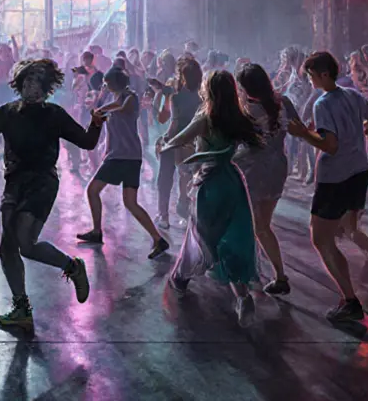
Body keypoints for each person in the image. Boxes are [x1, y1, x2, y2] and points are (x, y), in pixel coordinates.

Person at [0, 59, 103, 334]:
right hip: (14, 183)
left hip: (42, 182)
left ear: (46, 88)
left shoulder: (54, 114)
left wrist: (96, 122)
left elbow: (88, 142)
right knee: (12, 248)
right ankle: (23, 307)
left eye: (37, 81)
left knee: (24, 240)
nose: (31, 86)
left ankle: (71, 268)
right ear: (19, 84)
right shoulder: (8, 112)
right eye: (27, 80)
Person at [288, 51, 368, 323]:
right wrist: (366, 131)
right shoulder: (352, 94)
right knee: (349, 228)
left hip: (335, 177)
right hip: (359, 170)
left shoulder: (323, 104)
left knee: (321, 238)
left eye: (310, 75)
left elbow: (330, 145)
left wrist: (302, 134)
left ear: (323, 75)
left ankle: (350, 300)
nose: (309, 80)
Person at [157, 70, 263, 325]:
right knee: (230, 235)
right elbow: (256, 145)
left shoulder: (207, 117)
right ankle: (241, 295)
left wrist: (164, 144)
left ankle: (180, 278)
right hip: (233, 181)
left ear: (210, 91)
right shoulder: (237, 116)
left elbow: (180, 138)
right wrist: (229, 155)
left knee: (201, 234)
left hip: (211, 182)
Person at [76, 67, 169, 259]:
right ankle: (158, 239)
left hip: (124, 156)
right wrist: (106, 148)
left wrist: (101, 110)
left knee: (94, 191)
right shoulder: (118, 98)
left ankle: (97, 232)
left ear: (116, 83)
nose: (106, 86)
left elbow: (123, 108)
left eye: (108, 83)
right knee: (129, 202)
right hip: (122, 155)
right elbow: (112, 125)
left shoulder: (130, 97)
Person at [234, 63, 298, 295]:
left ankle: (262, 273)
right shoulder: (283, 102)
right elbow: (297, 129)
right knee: (262, 224)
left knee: (254, 225)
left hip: (251, 169)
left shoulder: (245, 110)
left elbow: (238, 144)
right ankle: (272, 272)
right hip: (277, 167)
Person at [154, 56, 203, 228]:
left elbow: (168, 121)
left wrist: (164, 141)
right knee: (187, 179)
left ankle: (164, 217)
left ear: (182, 76)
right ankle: (186, 214)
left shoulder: (176, 97)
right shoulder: (202, 97)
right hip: (194, 142)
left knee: (165, 179)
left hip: (175, 142)